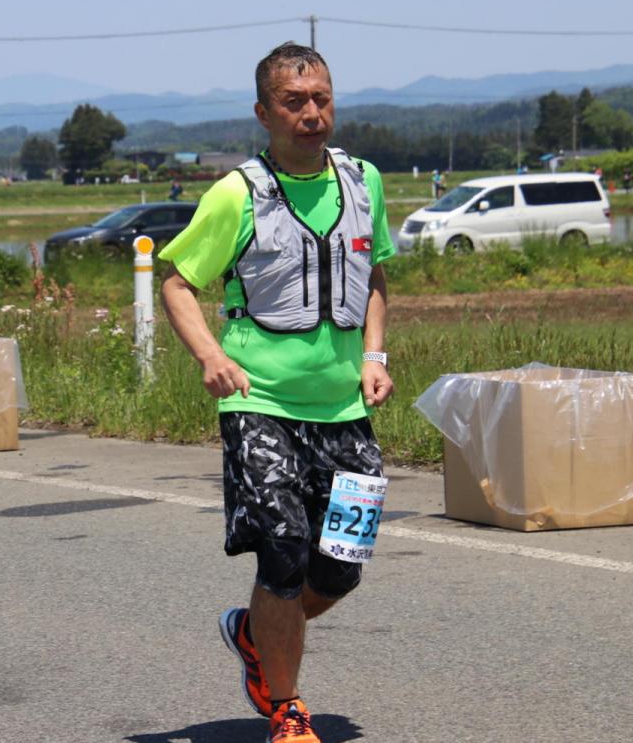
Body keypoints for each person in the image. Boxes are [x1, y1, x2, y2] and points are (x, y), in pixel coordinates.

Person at [160, 43, 395, 743]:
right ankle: (289, 709)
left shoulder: (364, 181)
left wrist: (374, 354)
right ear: (264, 113)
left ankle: (255, 631)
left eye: (321, 98)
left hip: (345, 406)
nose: (312, 114)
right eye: (294, 103)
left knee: (341, 566)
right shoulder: (238, 192)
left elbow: (377, 272)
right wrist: (209, 356)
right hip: (258, 399)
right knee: (284, 550)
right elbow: (175, 280)